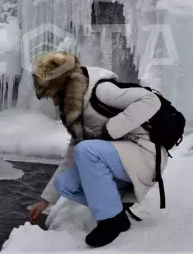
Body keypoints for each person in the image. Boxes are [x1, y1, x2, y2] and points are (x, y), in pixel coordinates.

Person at [28, 51, 168, 248]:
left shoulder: (101, 91)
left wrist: (111, 129)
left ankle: (110, 221)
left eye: (52, 94)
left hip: (146, 155)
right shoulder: (76, 109)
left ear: (62, 85)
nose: (54, 102)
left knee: (87, 151)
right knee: (65, 183)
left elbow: (151, 100)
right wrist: (44, 201)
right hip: (121, 159)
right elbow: (71, 158)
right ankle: (116, 212)